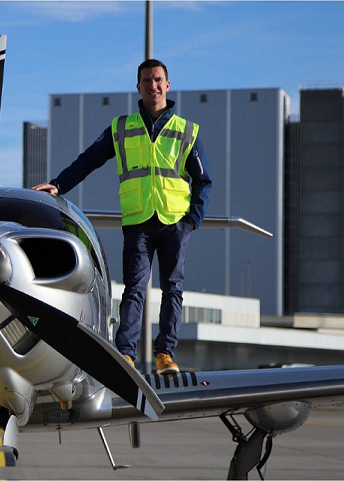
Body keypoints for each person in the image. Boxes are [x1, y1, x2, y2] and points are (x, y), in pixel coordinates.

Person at [33, 59, 212, 375]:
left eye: (158, 80)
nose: (153, 86)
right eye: (147, 81)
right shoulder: (121, 128)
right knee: (134, 289)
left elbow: (203, 180)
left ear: (167, 85)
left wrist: (192, 219)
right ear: (138, 87)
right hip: (138, 221)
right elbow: (89, 159)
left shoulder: (187, 131)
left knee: (173, 289)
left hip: (174, 222)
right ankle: (126, 355)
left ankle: (165, 355)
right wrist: (59, 184)